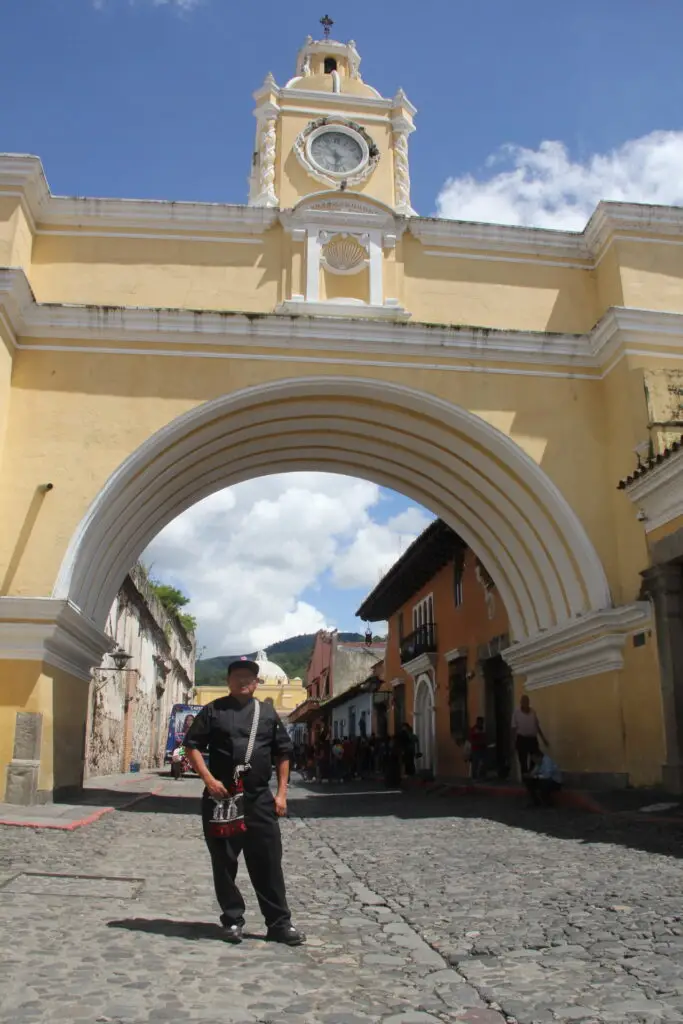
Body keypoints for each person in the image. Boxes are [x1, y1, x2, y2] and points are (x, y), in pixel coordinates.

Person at [184, 657, 305, 946]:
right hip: (221, 799)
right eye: (237, 676)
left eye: (248, 678)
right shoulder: (213, 711)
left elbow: (283, 753)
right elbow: (192, 746)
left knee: (268, 862)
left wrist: (282, 794)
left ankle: (279, 924)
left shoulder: (266, 713)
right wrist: (209, 780)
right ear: (228, 681)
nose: (242, 681)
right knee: (224, 861)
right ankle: (232, 919)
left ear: (256, 683)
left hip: (259, 799)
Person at [511, 695, 548, 777]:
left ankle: (531, 776)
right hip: (522, 738)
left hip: (532, 739)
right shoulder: (516, 713)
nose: (526, 703)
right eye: (524, 702)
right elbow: (513, 729)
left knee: (535, 759)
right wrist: (513, 742)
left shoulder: (533, 712)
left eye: (527, 701)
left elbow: (537, 726)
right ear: (521, 703)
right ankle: (525, 779)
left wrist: (543, 738)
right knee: (523, 761)